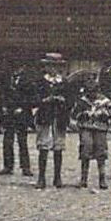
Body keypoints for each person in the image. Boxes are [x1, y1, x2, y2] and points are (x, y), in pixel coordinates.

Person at [34, 54, 71, 190]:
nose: (53, 69)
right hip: (45, 116)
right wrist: (45, 100)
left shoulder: (64, 82)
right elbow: (35, 98)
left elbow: (70, 100)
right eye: (50, 66)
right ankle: (41, 177)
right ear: (46, 67)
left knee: (58, 147)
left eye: (56, 66)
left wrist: (62, 100)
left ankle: (57, 176)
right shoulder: (40, 82)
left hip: (59, 117)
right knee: (43, 146)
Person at [71, 81, 111, 190]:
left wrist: (103, 113)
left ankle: (102, 178)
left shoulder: (105, 101)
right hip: (86, 128)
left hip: (100, 128)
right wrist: (84, 114)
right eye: (89, 93)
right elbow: (74, 114)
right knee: (85, 151)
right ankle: (84, 178)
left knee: (101, 153)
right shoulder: (82, 102)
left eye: (93, 92)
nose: (91, 95)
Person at [0, 64, 36, 177]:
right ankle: (8, 166)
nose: (17, 71)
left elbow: (31, 98)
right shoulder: (6, 80)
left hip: (21, 114)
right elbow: (1, 95)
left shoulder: (28, 81)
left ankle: (25, 167)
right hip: (9, 114)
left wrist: (22, 108)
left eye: (19, 68)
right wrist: (2, 107)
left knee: (22, 141)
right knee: (8, 141)